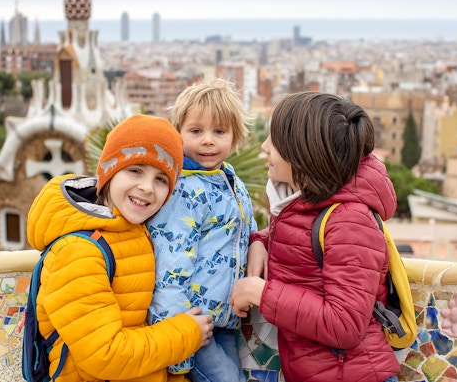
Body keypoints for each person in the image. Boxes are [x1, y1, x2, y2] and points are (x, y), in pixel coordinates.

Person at [26, 114, 214, 382]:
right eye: (135, 170)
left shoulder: (135, 231)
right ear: (108, 172)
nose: (147, 187)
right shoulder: (77, 251)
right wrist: (187, 333)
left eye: (161, 179)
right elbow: (105, 355)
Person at [230, 92, 401, 382]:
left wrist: (260, 293)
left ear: (302, 151)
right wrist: (259, 243)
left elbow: (345, 324)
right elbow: (299, 246)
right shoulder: (307, 204)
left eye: (275, 140)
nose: (264, 147)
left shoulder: (349, 220)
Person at [147, 78, 257, 382]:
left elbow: (246, 231)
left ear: (234, 138)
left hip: (223, 320)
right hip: (192, 323)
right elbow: (170, 266)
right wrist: (181, 349)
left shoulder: (230, 180)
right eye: (196, 131)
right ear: (178, 134)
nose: (207, 140)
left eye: (219, 132)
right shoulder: (184, 191)